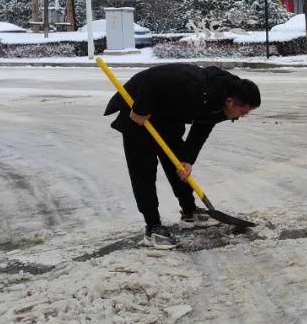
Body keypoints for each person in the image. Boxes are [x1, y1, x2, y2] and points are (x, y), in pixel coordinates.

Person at [104, 64, 261, 249]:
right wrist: (140, 108)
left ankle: (189, 211)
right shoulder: (194, 86)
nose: (242, 116)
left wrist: (188, 159)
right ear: (229, 101)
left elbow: (202, 127)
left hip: (169, 116)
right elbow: (151, 79)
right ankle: (152, 227)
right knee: (144, 172)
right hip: (138, 113)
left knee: (178, 165)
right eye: (243, 112)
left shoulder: (220, 100)